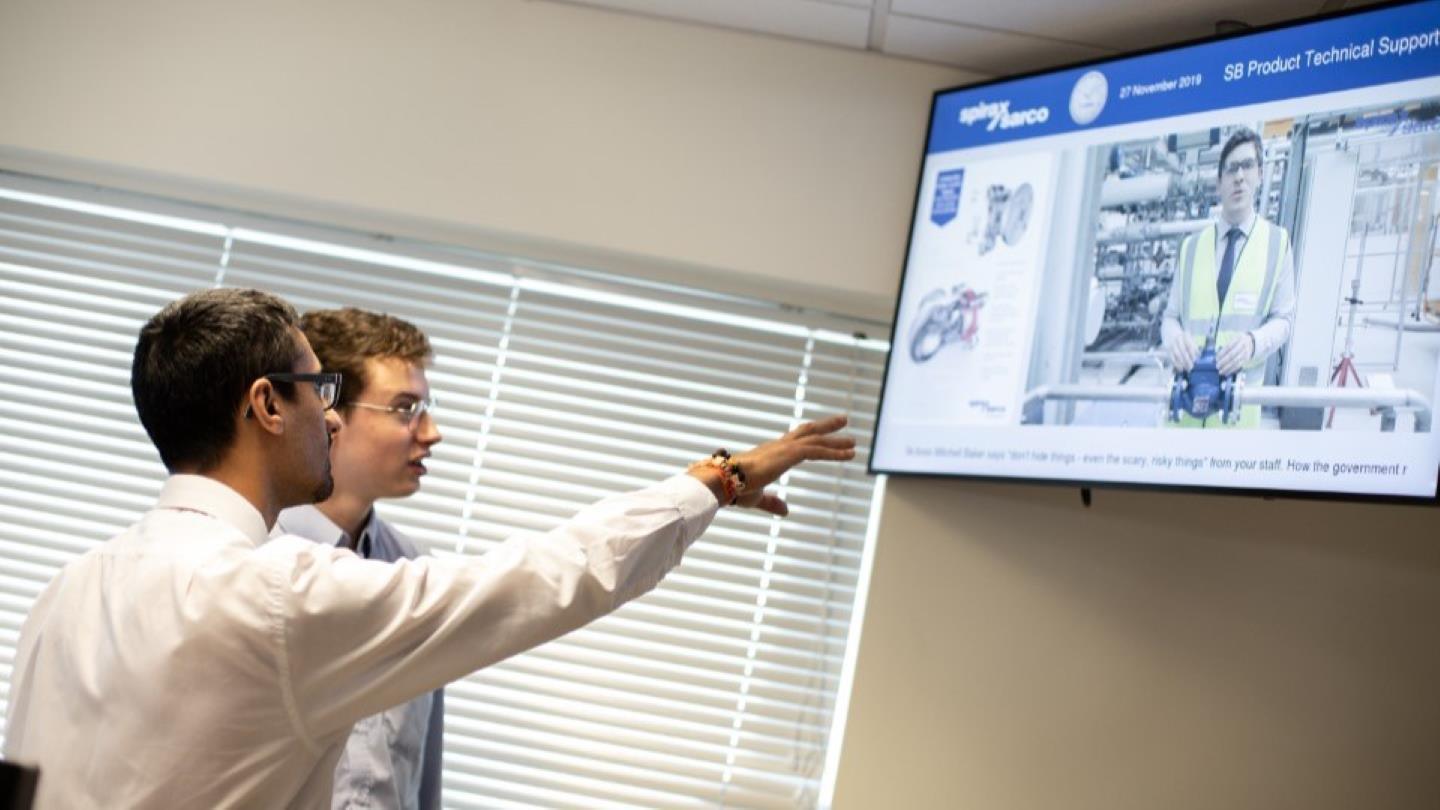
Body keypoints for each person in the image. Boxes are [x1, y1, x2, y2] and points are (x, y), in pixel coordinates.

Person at [3, 287, 854, 809]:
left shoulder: (68, 589)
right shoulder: (279, 597)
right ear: (267, 405)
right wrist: (719, 476)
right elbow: (545, 578)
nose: (331, 417)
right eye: (321, 392)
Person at [272, 308, 444, 810]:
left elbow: (420, 770)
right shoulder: (248, 557)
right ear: (328, 413)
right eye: (406, 408)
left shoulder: (414, 570)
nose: (432, 432)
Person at [1161, 126, 1297, 428]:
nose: (1239, 176)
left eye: (1247, 166)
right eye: (1231, 169)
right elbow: (1170, 317)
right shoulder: (1190, 247)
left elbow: (1284, 320)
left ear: (1260, 174)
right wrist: (1174, 340)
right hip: (1184, 409)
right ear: (1219, 182)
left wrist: (1253, 342)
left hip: (1238, 411)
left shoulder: (1278, 243)